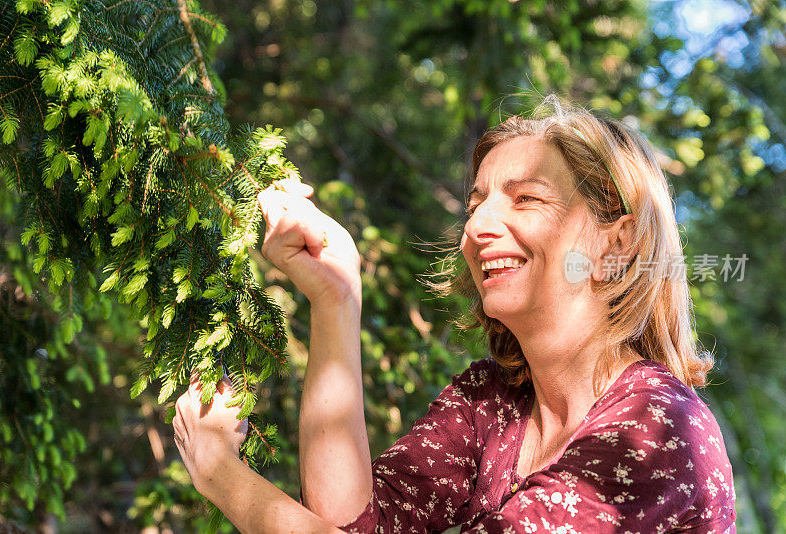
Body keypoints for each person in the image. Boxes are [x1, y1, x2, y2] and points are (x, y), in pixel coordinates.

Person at [172, 97, 737, 533]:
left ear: (617, 247)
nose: (476, 227)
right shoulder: (491, 403)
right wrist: (335, 299)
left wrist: (218, 470)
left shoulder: (659, 430)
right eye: (476, 203)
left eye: (526, 198)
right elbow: (357, 523)